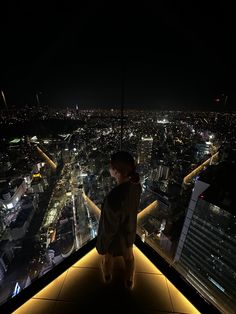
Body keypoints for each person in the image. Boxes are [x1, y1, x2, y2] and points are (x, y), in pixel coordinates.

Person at [96, 151, 142, 289]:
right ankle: (129, 279)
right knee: (129, 257)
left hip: (114, 236)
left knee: (108, 257)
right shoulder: (136, 186)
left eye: (111, 167)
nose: (109, 169)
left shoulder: (113, 198)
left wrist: (102, 246)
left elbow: (109, 227)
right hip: (129, 230)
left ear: (116, 172)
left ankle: (107, 275)